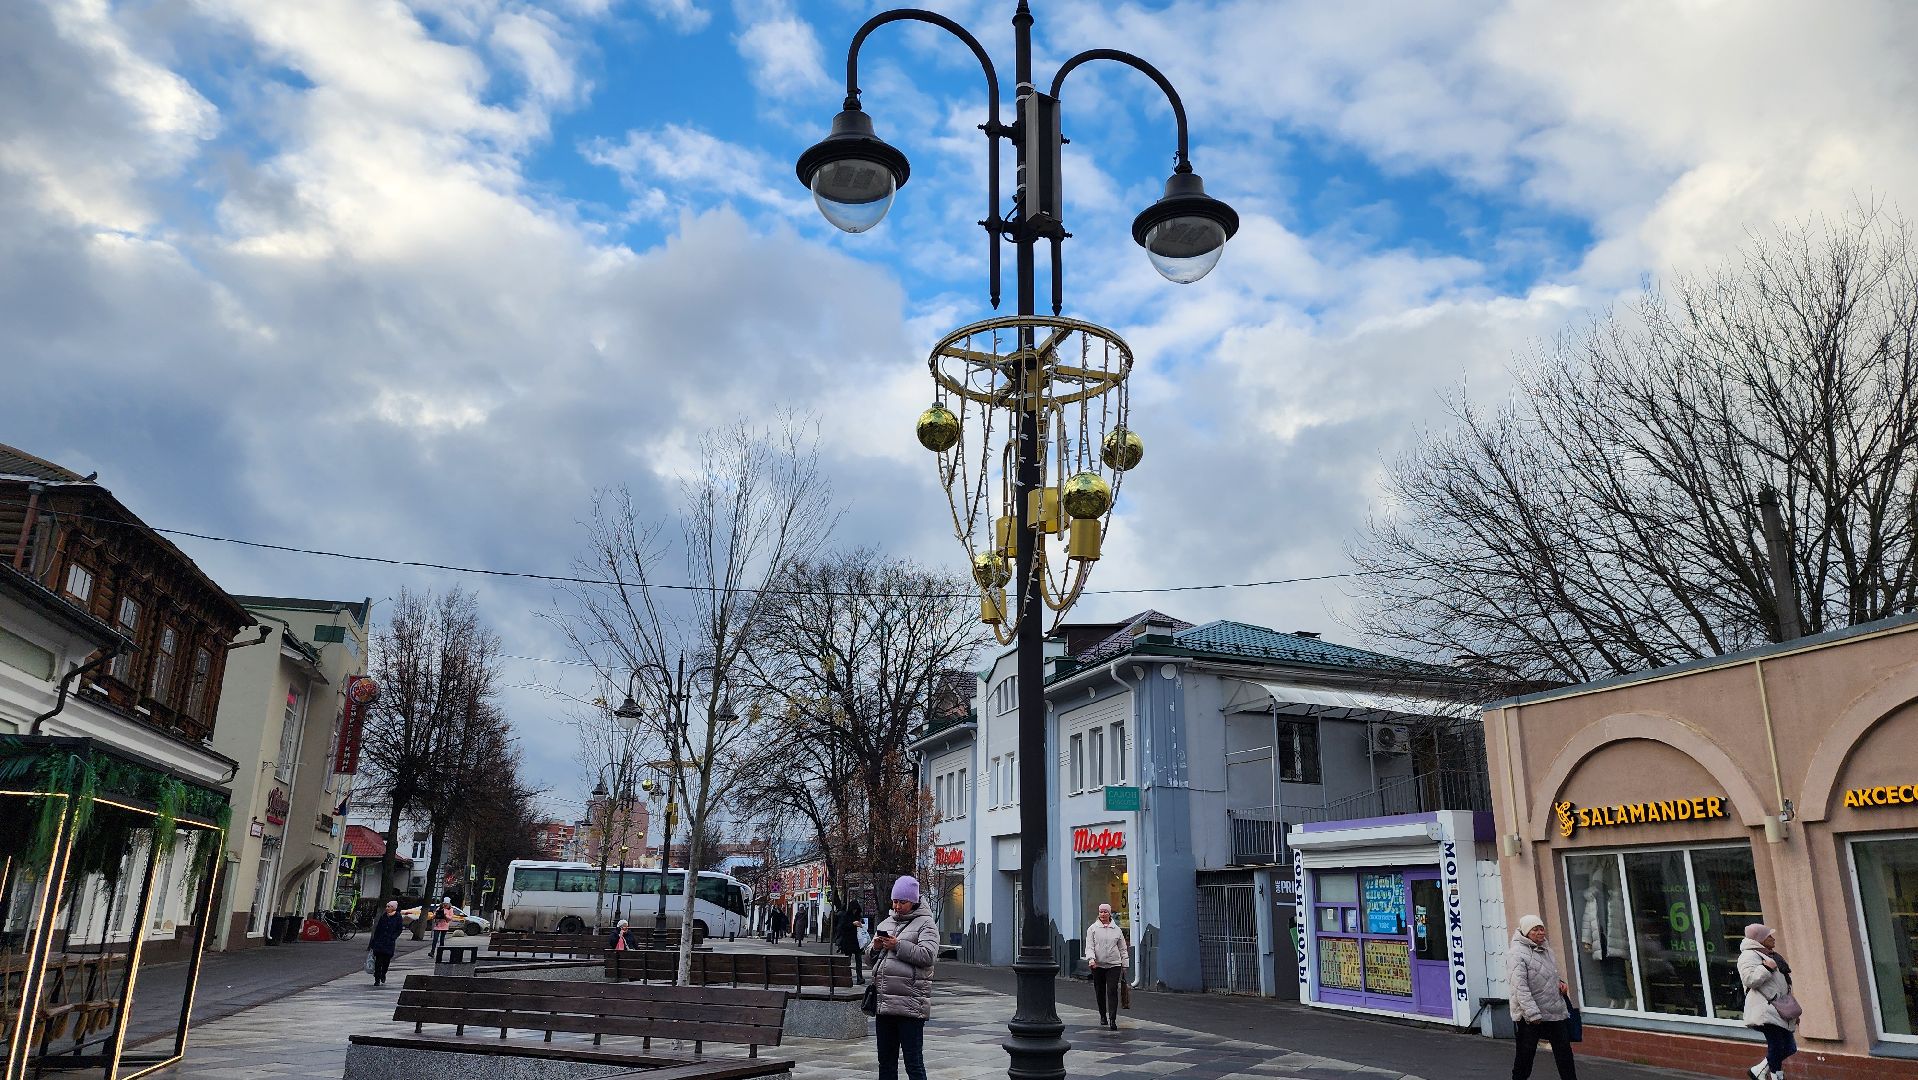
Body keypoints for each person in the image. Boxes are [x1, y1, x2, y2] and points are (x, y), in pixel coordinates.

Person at [867, 875, 939, 1080]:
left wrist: (898, 946)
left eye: (902, 902)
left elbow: (928, 955)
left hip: (910, 1006)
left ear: (914, 901)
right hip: (885, 1005)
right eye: (895, 901)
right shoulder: (887, 922)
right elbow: (869, 958)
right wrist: (875, 948)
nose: (897, 906)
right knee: (886, 1063)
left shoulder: (926, 924)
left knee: (913, 1063)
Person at [1507, 914, 1577, 1080]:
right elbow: (1519, 987)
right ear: (1526, 932)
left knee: (1565, 1055)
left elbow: (1548, 974)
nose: (1540, 933)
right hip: (1530, 1016)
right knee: (1525, 1057)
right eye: (1535, 929)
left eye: (1541, 929)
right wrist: (1532, 1014)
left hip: (1554, 1011)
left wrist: (1560, 983)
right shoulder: (1516, 954)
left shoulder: (1547, 950)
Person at [1739, 923, 1799, 1080]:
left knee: (1790, 1047)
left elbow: (1783, 982)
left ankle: (1758, 1070)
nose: (1773, 939)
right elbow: (1749, 979)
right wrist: (1766, 968)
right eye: (1769, 936)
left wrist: (1790, 1007)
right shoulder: (1748, 956)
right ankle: (1776, 1076)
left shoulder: (1769, 954)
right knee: (1777, 1046)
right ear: (1759, 939)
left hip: (1780, 1007)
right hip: (1765, 1008)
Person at [1083, 903, 1131, 1030]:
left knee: (1112, 990)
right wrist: (1091, 959)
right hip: (1097, 965)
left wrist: (1125, 964)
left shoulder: (1117, 930)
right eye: (1101, 912)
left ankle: (1112, 1019)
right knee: (1100, 991)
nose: (1103, 914)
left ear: (1110, 914)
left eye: (1105, 912)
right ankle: (1102, 1015)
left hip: (1114, 965)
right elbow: (1089, 946)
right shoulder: (1092, 929)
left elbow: (1122, 948)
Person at [367, 900, 404, 987]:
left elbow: (399, 929)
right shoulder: (384, 916)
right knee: (378, 961)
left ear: (393, 908)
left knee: (386, 961)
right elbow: (378, 928)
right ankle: (377, 978)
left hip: (389, 943)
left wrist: (393, 937)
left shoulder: (398, 917)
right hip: (379, 942)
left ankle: (383, 973)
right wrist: (374, 941)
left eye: (389, 906)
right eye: (387, 906)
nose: (387, 908)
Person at [835, 897, 867, 984]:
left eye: (856, 909)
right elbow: (842, 927)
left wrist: (861, 925)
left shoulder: (858, 916)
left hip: (857, 941)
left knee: (858, 960)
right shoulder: (846, 916)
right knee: (848, 960)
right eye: (854, 909)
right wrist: (853, 924)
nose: (855, 911)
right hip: (849, 941)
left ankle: (859, 977)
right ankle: (847, 977)